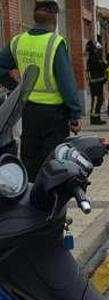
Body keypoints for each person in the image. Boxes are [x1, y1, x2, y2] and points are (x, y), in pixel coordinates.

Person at [0, 0, 82, 181]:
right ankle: (51, 206)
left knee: (30, 162)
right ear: (54, 21)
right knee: (54, 164)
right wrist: (75, 114)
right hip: (54, 116)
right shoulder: (55, 43)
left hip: (28, 112)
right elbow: (66, 83)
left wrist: (17, 87)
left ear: (34, 18)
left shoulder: (18, 41)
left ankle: (29, 204)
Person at [86, 40, 107, 125]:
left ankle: (97, 117)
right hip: (95, 83)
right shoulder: (93, 57)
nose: (99, 51)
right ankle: (94, 119)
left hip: (98, 82)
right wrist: (105, 64)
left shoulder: (94, 56)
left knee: (99, 100)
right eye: (98, 49)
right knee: (95, 100)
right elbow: (100, 66)